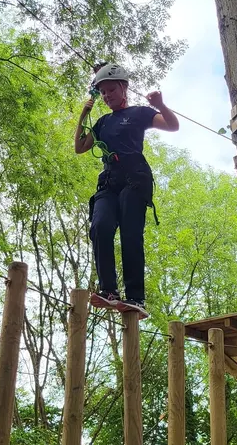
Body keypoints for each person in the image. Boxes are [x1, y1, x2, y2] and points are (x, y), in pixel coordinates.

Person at [74, 63, 179, 319]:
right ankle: (109, 291)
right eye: (103, 92)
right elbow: (80, 147)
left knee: (130, 233)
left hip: (135, 177)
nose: (107, 96)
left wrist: (160, 105)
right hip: (109, 181)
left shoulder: (139, 113)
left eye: (111, 90)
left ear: (123, 88)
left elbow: (172, 126)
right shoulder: (102, 122)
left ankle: (135, 297)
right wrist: (83, 116)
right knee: (100, 226)